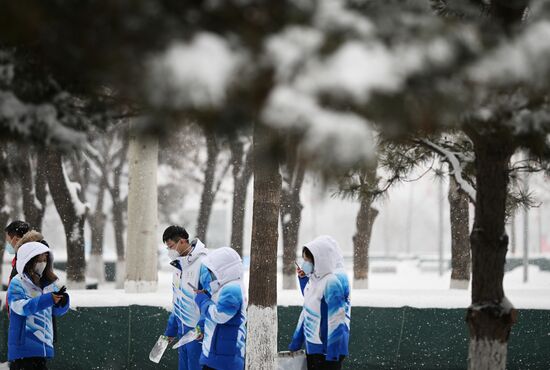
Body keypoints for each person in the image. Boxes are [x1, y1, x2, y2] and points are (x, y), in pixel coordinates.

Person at [7, 241, 70, 370]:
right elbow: (20, 307)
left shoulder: (47, 284)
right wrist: (48, 299)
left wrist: (62, 302)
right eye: (40, 259)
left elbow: (54, 311)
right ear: (30, 260)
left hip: (42, 347)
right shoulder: (18, 282)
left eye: (46, 259)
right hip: (23, 349)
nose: (43, 263)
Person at [289, 236, 349, 370]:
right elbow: (310, 306)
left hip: (327, 348)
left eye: (307, 260)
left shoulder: (333, 281)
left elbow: (337, 319)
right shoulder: (316, 280)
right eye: (303, 259)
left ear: (319, 260)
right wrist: (304, 278)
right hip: (315, 347)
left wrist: (332, 354)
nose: (304, 263)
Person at [163, 225, 211, 370]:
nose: (170, 251)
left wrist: (202, 327)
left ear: (182, 241)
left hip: (198, 334)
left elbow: (211, 298)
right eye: (168, 248)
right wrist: (171, 330)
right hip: (182, 334)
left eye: (171, 246)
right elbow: (178, 301)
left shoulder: (203, 263)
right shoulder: (178, 267)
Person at [193, 247, 246, 370]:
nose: (210, 275)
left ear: (223, 270)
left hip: (225, 357)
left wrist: (202, 300)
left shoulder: (232, 288)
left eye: (212, 271)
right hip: (216, 354)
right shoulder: (222, 288)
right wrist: (201, 328)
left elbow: (220, 315)